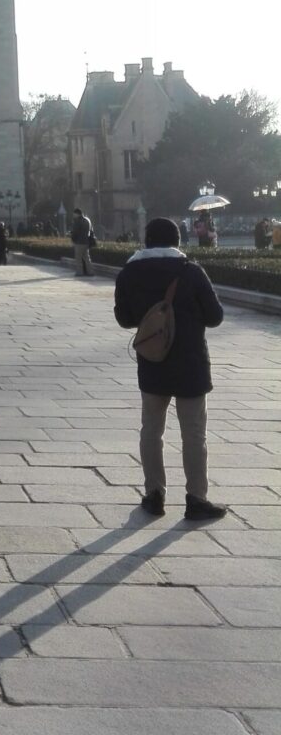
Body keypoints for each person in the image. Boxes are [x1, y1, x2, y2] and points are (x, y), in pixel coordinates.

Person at [114, 216, 227, 522]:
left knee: (152, 430)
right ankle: (196, 499)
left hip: (153, 361)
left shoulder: (130, 272)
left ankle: (154, 495)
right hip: (191, 364)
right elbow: (215, 316)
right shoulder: (191, 271)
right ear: (178, 241)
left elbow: (124, 318)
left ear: (147, 240)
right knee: (194, 433)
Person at [70, 207, 94, 276]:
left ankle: (79, 272)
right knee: (87, 258)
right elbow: (90, 230)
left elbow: (75, 232)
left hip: (79, 242)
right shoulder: (87, 220)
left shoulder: (77, 221)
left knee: (78, 258)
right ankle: (90, 272)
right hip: (86, 242)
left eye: (74, 214)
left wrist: (73, 239)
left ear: (77, 214)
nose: (73, 215)